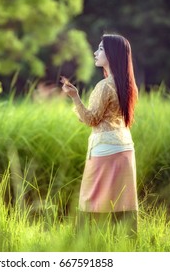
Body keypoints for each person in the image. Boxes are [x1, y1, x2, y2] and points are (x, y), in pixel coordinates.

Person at [60, 34, 138, 234]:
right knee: (122, 200)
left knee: (91, 197)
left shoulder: (104, 86)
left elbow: (91, 119)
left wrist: (75, 97)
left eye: (101, 49)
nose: (96, 52)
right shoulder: (128, 85)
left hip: (104, 149)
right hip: (125, 149)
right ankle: (123, 242)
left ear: (112, 55)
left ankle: (87, 242)